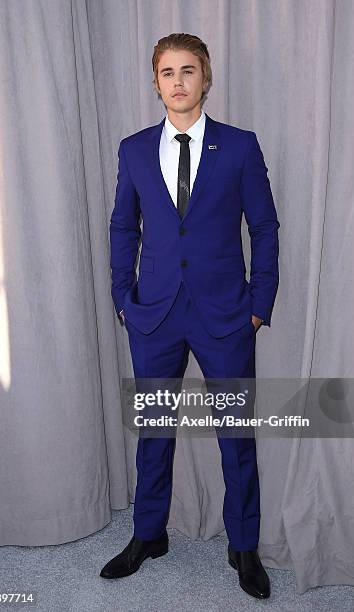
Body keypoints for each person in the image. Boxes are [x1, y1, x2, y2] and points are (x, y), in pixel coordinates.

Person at [101, 33, 280, 600]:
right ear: (155, 83)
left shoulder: (241, 147)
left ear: (206, 79)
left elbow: (265, 227)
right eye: (167, 72)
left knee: (235, 434)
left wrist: (259, 304)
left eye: (188, 71)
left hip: (226, 315)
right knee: (153, 432)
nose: (178, 81)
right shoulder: (133, 149)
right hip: (153, 315)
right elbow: (123, 227)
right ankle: (149, 534)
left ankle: (244, 545)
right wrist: (122, 298)